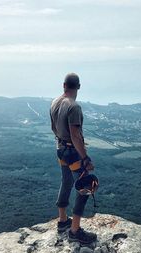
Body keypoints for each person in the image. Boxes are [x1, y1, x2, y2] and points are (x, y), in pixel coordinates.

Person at [50, 72, 97, 244]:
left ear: (64, 85)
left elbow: (53, 128)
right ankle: (75, 231)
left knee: (67, 182)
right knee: (85, 187)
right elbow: (76, 135)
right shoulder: (74, 107)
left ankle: (63, 221)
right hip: (72, 152)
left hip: (60, 148)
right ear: (78, 87)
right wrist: (85, 158)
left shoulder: (55, 102)